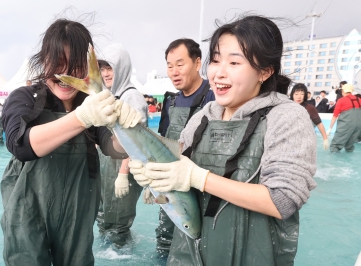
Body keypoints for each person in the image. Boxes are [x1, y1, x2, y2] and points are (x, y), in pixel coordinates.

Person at [130, 15, 317, 265]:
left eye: (234, 63)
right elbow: (176, 169)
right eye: (216, 60)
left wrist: (200, 178)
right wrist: (151, 174)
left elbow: (283, 201)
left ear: (265, 71)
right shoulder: (204, 116)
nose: (219, 73)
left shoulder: (286, 116)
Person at [0, 19, 141, 266]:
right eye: (58, 65)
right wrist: (82, 117)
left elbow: (112, 148)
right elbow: (20, 144)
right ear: (44, 61)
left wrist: (125, 129)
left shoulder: (90, 102)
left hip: (77, 217)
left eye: (75, 66)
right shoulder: (25, 98)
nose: (65, 75)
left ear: (88, 67)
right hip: (27, 216)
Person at [153, 38, 215, 257]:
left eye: (180, 64)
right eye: (170, 66)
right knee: (165, 241)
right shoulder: (170, 102)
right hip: (171, 185)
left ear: (197, 63)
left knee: (201, 245)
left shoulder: (214, 97)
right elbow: (161, 142)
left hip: (203, 184)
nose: (174, 72)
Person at [95, 43, 148, 248]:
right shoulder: (110, 94)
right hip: (107, 166)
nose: (106, 73)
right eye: (103, 68)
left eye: (111, 68)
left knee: (118, 225)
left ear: (122, 68)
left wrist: (123, 174)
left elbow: (136, 140)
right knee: (104, 219)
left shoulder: (131, 96)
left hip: (122, 169)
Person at [290, 83, 329, 150]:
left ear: (305, 95)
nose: (299, 97)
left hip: (305, 141)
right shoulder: (287, 106)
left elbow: (319, 123)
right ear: (292, 95)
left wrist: (325, 139)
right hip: (291, 140)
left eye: (302, 94)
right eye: (296, 94)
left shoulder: (310, 108)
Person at [327, 84, 361, 152]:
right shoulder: (359, 99)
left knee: (335, 146)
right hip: (358, 126)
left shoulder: (341, 100)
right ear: (351, 91)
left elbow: (335, 115)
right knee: (349, 146)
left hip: (346, 125)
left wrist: (330, 128)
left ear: (343, 91)